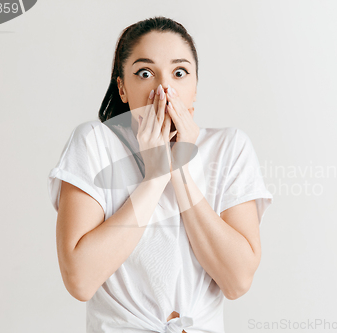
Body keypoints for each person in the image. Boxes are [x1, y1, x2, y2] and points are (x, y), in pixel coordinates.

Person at [47, 16, 273, 333]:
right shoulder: (94, 143)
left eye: (179, 73)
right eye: (145, 73)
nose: (164, 88)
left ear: (194, 87)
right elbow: (80, 281)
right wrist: (154, 176)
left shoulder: (229, 148)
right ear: (122, 87)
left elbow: (236, 281)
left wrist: (179, 167)